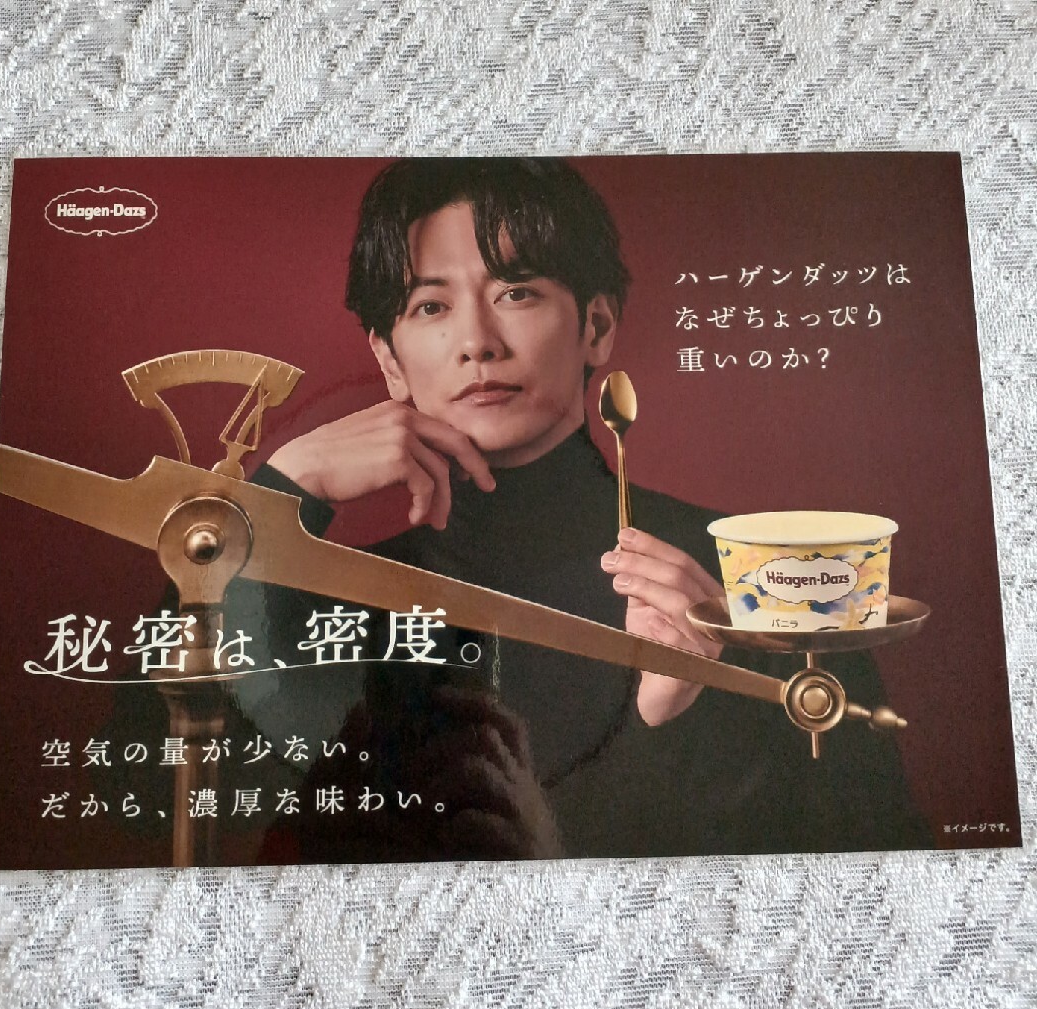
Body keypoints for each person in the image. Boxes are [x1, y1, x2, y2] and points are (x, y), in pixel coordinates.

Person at [234, 158, 930, 860]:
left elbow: (872, 869)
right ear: (389, 358)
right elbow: (190, 811)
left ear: (595, 325)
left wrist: (677, 721)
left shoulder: (773, 577)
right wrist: (282, 486)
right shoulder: (326, 602)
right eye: (431, 307)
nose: (478, 342)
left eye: (517, 292)